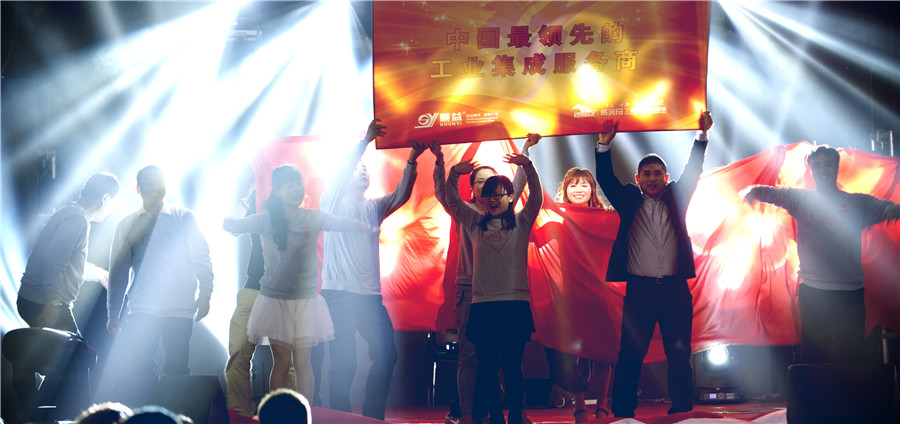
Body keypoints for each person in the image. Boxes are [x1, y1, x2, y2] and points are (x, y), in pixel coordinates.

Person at [595, 111, 713, 417]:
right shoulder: (627, 199)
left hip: (675, 290)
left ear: (666, 177)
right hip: (640, 291)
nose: (651, 178)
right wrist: (604, 146)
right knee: (630, 354)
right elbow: (606, 179)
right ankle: (624, 414)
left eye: (657, 173)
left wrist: (701, 136)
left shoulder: (678, 196)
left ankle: (682, 412)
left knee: (679, 355)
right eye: (646, 174)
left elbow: (694, 169)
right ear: (637, 179)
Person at [224, 164, 371, 401]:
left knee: (303, 364)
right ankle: (277, 413)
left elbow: (340, 223)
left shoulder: (312, 217)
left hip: (305, 301)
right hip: (275, 301)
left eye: (298, 183)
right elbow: (230, 225)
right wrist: (245, 202)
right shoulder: (266, 219)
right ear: (277, 191)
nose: (296, 188)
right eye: (289, 185)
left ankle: (305, 413)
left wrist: (363, 227)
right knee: (282, 363)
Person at [741, 145, 900, 364]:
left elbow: (886, 207)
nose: (823, 169)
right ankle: (816, 388)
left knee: (853, 358)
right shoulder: (801, 199)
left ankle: (849, 388)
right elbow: (771, 193)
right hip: (814, 292)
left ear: (836, 167)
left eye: (828, 164)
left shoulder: (858, 202)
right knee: (814, 357)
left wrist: (891, 210)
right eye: (817, 165)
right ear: (811, 170)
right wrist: (752, 191)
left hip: (850, 292)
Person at [319, 119, 426, 420]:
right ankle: (340, 418)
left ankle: (372, 417)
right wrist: (364, 142)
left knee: (386, 355)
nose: (362, 171)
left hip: (369, 297)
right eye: (357, 169)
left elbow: (401, 195)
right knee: (344, 362)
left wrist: (412, 161)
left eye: (365, 169)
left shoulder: (373, 208)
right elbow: (342, 170)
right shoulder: (332, 202)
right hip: (338, 294)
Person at [431, 135, 537, 424]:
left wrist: (526, 152)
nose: (487, 188)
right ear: (472, 188)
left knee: (509, 360)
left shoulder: (507, 214)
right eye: (480, 182)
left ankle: (518, 413)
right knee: (472, 357)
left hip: (507, 295)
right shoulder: (466, 214)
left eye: (492, 183)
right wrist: (442, 164)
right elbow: (444, 193)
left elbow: (518, 186)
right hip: (471, 291)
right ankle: (467, 414)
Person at [107, 165, 214, 376]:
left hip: (179, 308)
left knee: (177, 371)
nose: (154, 187)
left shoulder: (183, 218)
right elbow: (117, 272)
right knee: (140, 371)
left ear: (166, 186)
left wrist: (205, 294)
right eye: (148, 183)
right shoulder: (127, 224)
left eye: (158, 182)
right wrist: (113, 312)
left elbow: (202, 258)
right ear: (138, 189)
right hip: (141, 309)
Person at [545, 167, 613, 422]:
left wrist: (613, 214)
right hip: (571, 296)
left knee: (603, 352)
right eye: (573, 185)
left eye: (584, 185)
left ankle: (603, 405)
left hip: (600, 295)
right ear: (565, 190)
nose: (578, 189)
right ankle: (580, 405)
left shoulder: (605, 217)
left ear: (592, 190)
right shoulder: (559, 220)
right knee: (576, 353)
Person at [224, 185, 297, 420]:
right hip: (252, 289)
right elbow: (230, 226)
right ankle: (241, 416)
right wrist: (248, 200)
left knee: (286, 361)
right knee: (237, 352)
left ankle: (286, 416)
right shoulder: (259, 210)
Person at [17, 172, 120, 334]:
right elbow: (55, 261)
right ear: (105, 198)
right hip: (42, 301)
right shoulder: (76, 220)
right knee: (75, 348)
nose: (111, 211)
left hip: (37, 299)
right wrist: (52, 303)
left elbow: (67, 263)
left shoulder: (73, 215)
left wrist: (99, 274)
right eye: (113, 204)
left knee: (59, 348)